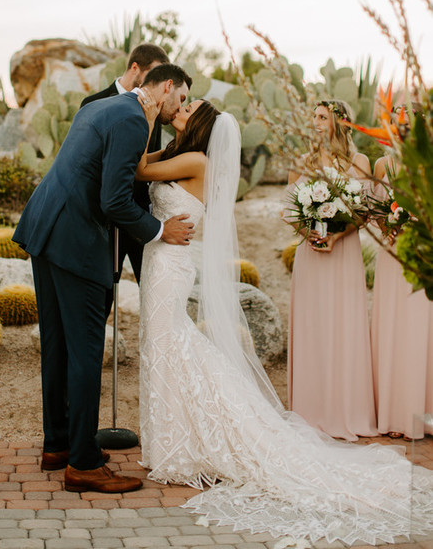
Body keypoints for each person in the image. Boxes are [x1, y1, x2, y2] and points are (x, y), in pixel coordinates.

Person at [135, 98, 433, 544]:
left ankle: (204, 431)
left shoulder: (195, 158)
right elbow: (147, 165)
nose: (179, 105)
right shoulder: (181, 152)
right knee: (167, 346)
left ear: (198, 122)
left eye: (187, 104)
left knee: (173, 344)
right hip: (162, 261)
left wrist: (145, 113)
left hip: (172, 264)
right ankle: (178, 439)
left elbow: (138, 170)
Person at [12, 63, 194, 494]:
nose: (179, 107)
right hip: (75, 243)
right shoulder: (133, 121)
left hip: (45, 230)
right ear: (166, 86)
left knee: (57, 347)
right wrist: (159, 230)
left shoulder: (107, 107)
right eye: (181, 98)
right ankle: (84, 464)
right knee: (87, 352)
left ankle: (58, 444)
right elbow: (113, 201)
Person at [287, 100, 377, 440]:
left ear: (341, 123)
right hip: (310, 254)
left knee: (343, 322)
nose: (316, 122)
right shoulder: (302, 162)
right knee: (314, 324)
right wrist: (306, 230)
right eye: (314, 116)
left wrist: (338, 235)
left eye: (323, 117)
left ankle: (346, 409)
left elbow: (365, 211)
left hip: (344, 252)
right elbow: (290, 209)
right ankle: (310, 411)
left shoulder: (360, 162)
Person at [81, 43, 169, 314]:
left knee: (154, 292)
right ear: (135, 68)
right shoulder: (93, 103)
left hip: (140, 216)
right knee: (102, 296)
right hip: (104, 219)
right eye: (153, 74)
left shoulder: (152, 107)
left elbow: (147, 160)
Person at [371, 152, 433, 439]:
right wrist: (388, 226)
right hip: (391, 251)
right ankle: (395, 415)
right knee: (393, 327)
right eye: (396, 114)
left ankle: (422, 415)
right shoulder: (382, 164)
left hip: (422, 253)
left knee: (420, 328)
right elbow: (372, 210)